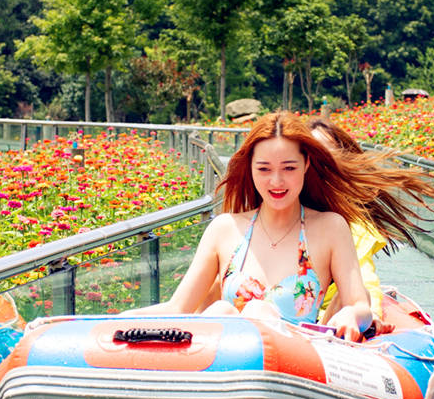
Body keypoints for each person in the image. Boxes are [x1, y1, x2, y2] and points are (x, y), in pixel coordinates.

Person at [131, 113, 391, 340]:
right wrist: (106, 323)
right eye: (264, 169)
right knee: (222, 310)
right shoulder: (225, 229)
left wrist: (351, 314)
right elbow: (178, 309)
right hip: (225, 364)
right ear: (250, 168)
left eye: (289, 168)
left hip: (294, 364)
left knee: (258, 310)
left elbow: (360, 303)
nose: (276, 182)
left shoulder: (330, 228)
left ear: (306, 165)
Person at [306, 117, 434, 325]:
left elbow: (364, 279)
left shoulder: (352, 226)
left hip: (325, 322)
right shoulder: (278, 214)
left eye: (325, 155)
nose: (316, 164)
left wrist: (370, 314)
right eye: (308, 154)